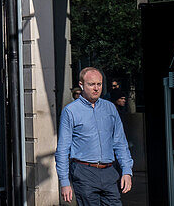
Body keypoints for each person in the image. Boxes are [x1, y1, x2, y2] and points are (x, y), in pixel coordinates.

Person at [55, 67, 133, 204]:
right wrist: (64, 182)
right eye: (91, 84)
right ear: (81, 85)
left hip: (109, 172)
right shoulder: (71, 111)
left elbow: (120, 143)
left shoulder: (110, 108)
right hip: (84, 173)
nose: (96, 88)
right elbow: (62, 149)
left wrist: (127, 171)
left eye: (99, 84)